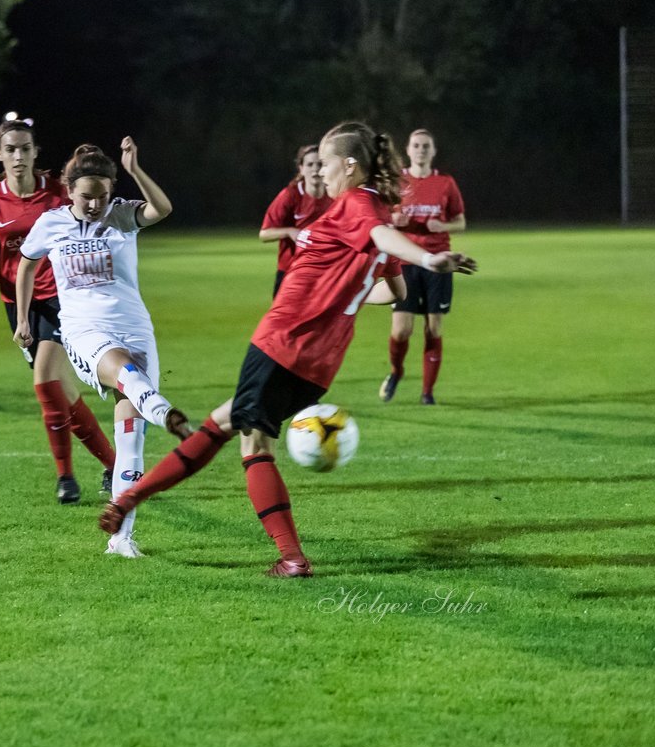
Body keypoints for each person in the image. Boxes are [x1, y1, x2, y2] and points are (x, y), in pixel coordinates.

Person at [99, 122, 477, 577]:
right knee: (223, 420)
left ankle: (292, 557)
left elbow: (381, 240)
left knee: (252, 441)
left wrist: (428, 258)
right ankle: (128, 500)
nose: (321, 171)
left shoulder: (359, 206)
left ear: (350, 165)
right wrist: (349, 294)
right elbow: (391, 290)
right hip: (317, 362)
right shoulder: (364, 210)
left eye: (327, 162)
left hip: (285, 343)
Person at [15, 138, 190, 558]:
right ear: (69, 191)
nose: (95, 205)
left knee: (129, 441)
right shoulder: (52, 223)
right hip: (82, 329)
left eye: (102, 196)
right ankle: (161, 406)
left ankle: (122, 537)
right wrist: (23, 319)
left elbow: (162, 209)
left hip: (134, 326)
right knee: (125, 374)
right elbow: (26, 264)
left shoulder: (122, 216)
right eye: (86, 196)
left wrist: (135, 167)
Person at [0, 120, 117, 505]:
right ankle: (116, 465)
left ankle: (66, 479)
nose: (18, 156)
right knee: (63, 392)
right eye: (10, 149)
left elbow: (92, 207)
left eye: (25, 148)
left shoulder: (57, 193)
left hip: (64, 298)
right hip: (18, 305)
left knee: (45, 382)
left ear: (34, 152)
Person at [379, 128, 467, 405]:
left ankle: (427, 393)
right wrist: (395, 220)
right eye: (416, 145)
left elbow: (461, 221)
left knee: (434, 328)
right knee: (402, 330)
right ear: (407, 150)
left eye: (426, 146)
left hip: (438, 262)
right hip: (405, 260)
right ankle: (396, 371)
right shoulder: (397, 182)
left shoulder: (445, 183)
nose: (421, 150)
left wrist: (444, 225)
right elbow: (379, 219)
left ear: (433, 151)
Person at [259, 145, 332, 297]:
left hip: (322, 271)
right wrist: (289, 231)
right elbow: (264, 234)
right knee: (282, 320)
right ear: (301, 168)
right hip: (290, 271)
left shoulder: (334, 196)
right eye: (310, 164)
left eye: (319, 164)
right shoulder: (290, 196)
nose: (315, 169)